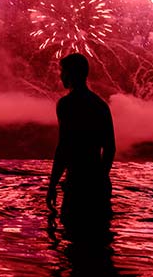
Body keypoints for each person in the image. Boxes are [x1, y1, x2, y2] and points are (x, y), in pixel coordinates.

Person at [47, 53, 116, 237]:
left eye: (62, 71)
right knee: (99, 240)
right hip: (97, 181)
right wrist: (101, 178)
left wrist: (52, 184)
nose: (60, 76)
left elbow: (64, 147)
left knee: (72, 238)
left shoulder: (66, 104)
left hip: (76, 183)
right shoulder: (100, 105)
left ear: (71, 74)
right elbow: (109, 148)